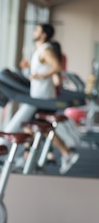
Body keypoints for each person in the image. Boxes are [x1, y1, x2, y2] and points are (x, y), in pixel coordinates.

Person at [19, 23, 79, 174]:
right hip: (40, 96)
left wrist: (38, 75)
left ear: (44, 34)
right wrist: (30, 69)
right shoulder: (40, 50)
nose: (34, 32)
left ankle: (29, 158)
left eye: (37, 30)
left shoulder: (46, 50)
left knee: (30, 126)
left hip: (44, 97)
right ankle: (34, 157)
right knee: (39, 128)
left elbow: (57, 67)